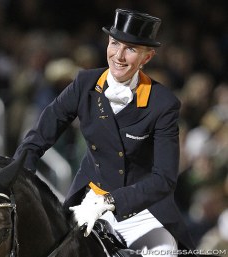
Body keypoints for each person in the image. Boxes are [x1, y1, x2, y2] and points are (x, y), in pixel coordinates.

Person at [14, 8, 197, 257]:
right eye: (114, 44)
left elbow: (164, 179)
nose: (118, 56)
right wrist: (16, 176)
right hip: (88, 197)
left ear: (147, 57)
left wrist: (111, 202)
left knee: (164, 250)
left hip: (140, 209)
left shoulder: (163, 104)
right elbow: (39, 136)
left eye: (131, 49)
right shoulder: (84, 84)